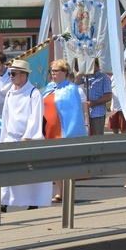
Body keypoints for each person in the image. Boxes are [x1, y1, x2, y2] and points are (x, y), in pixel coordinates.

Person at [0, 60, 46, 211]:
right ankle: (3, 202)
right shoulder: (11, 93)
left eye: (13, 74)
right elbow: (6, 117)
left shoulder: (33, 93)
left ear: (24, 75)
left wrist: (28, 136)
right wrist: (3, 136)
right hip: (11, 137)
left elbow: (35, 116)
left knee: (28, 172)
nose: (10, 76)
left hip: (26, 138)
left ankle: (33, 202)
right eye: (10, 73)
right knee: (6, 170)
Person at [42, 59, 89, 203]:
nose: (53, 73)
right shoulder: (49, 87)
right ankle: (59, 191)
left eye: (56, 71)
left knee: (65, 163)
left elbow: (75, 113)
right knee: (53, 163)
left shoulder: (71, 89)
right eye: (52, 71)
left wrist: (71, 133)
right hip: (48, 129)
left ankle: (67, 191)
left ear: (64, 72)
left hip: (63, 130)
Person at [80, 59, 112, 136]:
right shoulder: (85, 77)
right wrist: (81, 72)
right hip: (85, 112)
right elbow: (75, 83)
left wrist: (94, 103)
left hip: (97, 112)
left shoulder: (104, 78)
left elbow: (108, 97)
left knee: (97, 136)